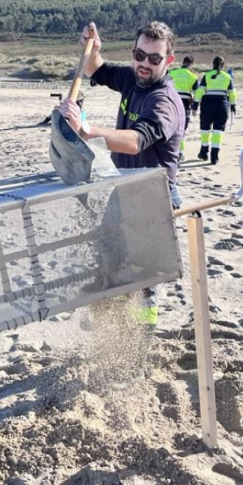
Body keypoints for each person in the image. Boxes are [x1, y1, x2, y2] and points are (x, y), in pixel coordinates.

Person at [57, 21, 185, 330]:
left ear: (168, 61)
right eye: (139, 55)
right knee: (110, 258)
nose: (144, 63)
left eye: (154, 59)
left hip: (154, 198)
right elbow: (97, 71)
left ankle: (139, 343)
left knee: (144, 280)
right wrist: (93, 49)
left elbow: (137, 140)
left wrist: (87, 131)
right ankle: (112, 322)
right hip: (124, 188)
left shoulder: (164, 101)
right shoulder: (133, 79)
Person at [191, 56, 237, 165]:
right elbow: (232, 93)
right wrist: (233, 106)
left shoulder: (207, 76)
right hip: (222, 104)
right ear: (223, 65)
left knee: (205, 129)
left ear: (213, 64)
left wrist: (195, 106)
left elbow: (199, 92)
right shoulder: (227, 77)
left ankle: (204, 151)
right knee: (218, 131)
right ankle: (214, 156)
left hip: (207, 104)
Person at [167, 56, 200, 161]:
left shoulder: (172, 73)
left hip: (171, 102)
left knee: (170, 127)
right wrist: (195, 105)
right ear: (192, 64)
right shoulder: (193, 77)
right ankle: (179, 152)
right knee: (182, 129)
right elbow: (197, 93)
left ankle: (170, 150)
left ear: (183, 62)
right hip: (185, 104)